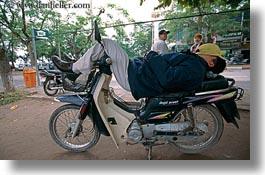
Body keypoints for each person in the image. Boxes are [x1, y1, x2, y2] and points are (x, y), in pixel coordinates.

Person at [52, 39, 226, 100]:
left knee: (106, 43)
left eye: (203, 50)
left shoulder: (195, 68)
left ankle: (74, 69)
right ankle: (76, 70)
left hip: (136, 77)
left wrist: (152, 56)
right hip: (139, 72)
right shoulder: (195, 63)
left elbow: (167, 78)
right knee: (105, 49)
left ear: (211, 62)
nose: (198, 49)